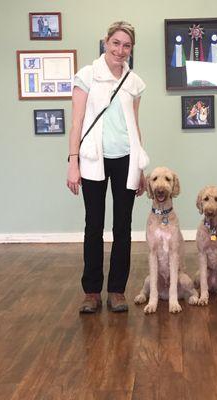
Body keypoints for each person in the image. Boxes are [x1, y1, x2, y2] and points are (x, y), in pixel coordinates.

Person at [66, 21, 148, 313]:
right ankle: (91, 292)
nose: (120, 50)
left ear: (131, 49)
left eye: (126, 45)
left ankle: (116, 290)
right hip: (92, 159)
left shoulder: (134, 82)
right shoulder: (86, 76)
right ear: (105, 42)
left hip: (126, 158)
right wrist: (72, 163)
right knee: (94, 226)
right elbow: (76, 123)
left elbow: (135, 127)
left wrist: (140, 166)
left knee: (123, 227)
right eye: (116, 43)